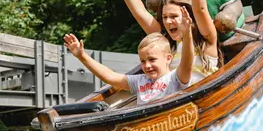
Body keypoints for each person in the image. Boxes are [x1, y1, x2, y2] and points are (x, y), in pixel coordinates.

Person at [63, 15, 194, 106]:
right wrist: (82, 56)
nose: (147, 65)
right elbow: (110, 76)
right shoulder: (140, 81)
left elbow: (187, 63)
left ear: (168, 58)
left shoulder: (175, 78)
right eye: (143, 61)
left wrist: (187, 33)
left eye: (152, 60)